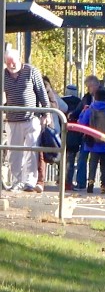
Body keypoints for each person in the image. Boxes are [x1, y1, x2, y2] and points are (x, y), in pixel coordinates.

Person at [2, 45, 50, 192]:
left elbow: (42, 92)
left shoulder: (31, 71)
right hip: (12, 119)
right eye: (8, 63)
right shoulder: (3, 75)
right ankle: (17, 181)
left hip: (31, 117)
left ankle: (29, 181)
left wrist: (46, 113)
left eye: (13, 62)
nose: (11, 65)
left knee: (31, 150)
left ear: (19, 59)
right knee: (14, 153)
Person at [78, 88, 105, 194]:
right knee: (104, 163)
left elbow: (81, 124)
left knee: (92, 162)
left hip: (92, 142)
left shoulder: (90, 110)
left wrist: (82, 112)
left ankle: (91, 182)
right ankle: (103, 184)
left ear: (94, 97)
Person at [69, 75, 100, 191]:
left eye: (89, 86)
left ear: (95, 85)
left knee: (99, 159)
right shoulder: (86, 97)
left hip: (98, 131)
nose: (88, 89)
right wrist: (72, 115)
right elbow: (78, 109)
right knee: (82, 157)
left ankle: (104, 183)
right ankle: (81, 182)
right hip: (86, 132)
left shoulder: (103, 95)